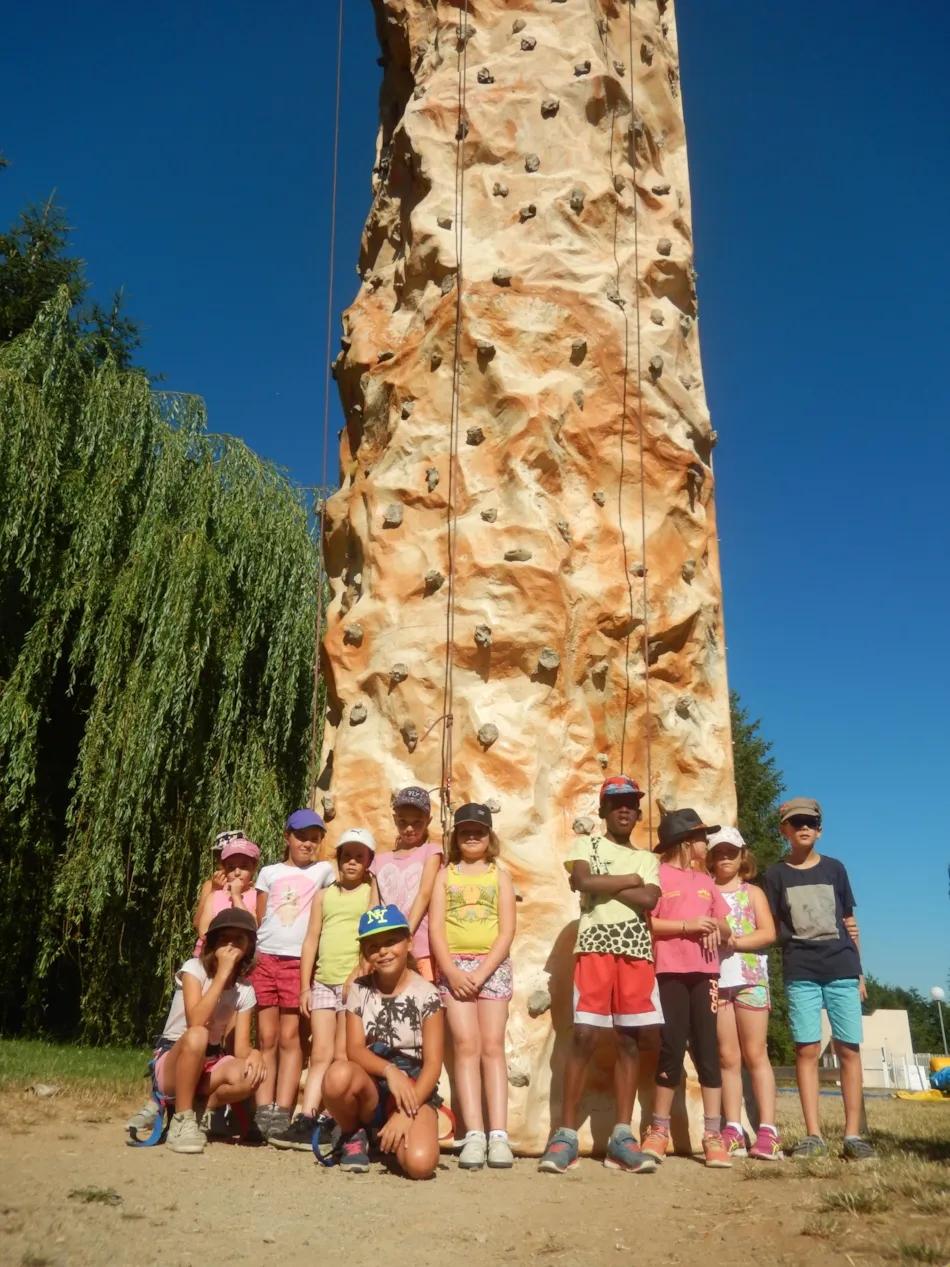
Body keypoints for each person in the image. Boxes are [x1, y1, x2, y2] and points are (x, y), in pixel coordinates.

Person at [538, 775, 662, 1175]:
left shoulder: (648, 858)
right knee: (585, 1035)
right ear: (604, 811)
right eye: (616, 803)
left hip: (636, 950)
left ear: (638, 813)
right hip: (594, 947)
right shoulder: (586, 845)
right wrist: (627, 881)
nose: (624, 809)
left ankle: (621, 1138)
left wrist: (606, 886)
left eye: (631, 803)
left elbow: (650, 899)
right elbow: (582, 880)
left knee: (629, 1039)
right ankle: (565, 1136)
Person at [762, 798, 874, 1161]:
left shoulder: (836, 869)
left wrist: (858, 971)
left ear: (820, 829)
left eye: (810, 822)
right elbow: (771, 924)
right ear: (784, 830)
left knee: (848, 1049)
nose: (803, 828)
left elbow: (849, 922)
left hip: (841, 968)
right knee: (807, 1049)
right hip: (801, 971)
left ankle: (853, 1135)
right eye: (795, 823)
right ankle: (813, 1135)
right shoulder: (775, 875)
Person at [269, 828, 378, 1149]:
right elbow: (311, 939)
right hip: (322, 982)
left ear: (368, 862)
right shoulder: (323, 895)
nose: (352, 863)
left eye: (360, 857)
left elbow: (371, 937)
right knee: (319, 1053)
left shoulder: (370, 893)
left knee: (344, 1054)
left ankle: (333, 1118)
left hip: (354, 983)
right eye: (347, 856)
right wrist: (305, 986)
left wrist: (356, 974)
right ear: (339, 860)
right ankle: (306, 1117)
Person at [320, 904, 444, 1179]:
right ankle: (354, 1133)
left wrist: (406, 1113)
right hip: (372, 1080)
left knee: (421, 1165)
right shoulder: (359, 990)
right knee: (337, 1076)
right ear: (365, 952)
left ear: (409, 941)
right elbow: (353, 1049)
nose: (383, 951)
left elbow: (434, 1064)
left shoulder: (428, 994)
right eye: (373, 946)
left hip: (413, 1087)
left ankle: (393, 1132)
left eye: (391, 942)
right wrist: (389, 1071)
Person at [640, 808, 734, 1169]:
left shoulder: (707, 880)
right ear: (684, 842)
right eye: (700, 837)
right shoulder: (658, 875)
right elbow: (648, 924)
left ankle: (713, 1134)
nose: (705, 843)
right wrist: (688, 925)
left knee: (708, 1050)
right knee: (671, 1048)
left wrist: (716, 928)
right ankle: (659, 1130)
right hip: (669, 973)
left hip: (705, 975)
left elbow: (725, 926)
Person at [429, 802, 516, 1170]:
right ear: (456, 837)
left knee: (492, 1046)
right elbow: (435, 928)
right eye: (465, 831)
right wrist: (450, 970)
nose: (472, 836)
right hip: (455, 969)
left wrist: (481, 974)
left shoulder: (500, 876)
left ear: (490, 836)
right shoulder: (444, 876)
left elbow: (507, 929)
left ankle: (499, 1135)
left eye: (479, 831)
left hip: (490, 967)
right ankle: (474, 1135)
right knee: (466, 1045)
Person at [250, 808, 335, 1140]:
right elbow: (260, 917)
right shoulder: (269, 873)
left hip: (297, 962)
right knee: (266, 1037)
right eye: (301, 836)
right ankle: (262, 1107)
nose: (308, 844)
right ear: (287, 837)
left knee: (290, 1038)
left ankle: (283, 1109)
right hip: (265, 958)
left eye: (314, 839)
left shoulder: (324, 871)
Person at [154, 908, 265, 1154]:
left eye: (239, 938)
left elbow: (241, 1048)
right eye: (224, 938)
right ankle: (181, 1121)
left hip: (210, 1063)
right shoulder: (193, 969)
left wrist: (255, 1054)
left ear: (248, 947)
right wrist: (222, 974)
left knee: (251, 1074)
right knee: (199, 1034)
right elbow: (196, 1020)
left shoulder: (244, 990)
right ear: (212, 944)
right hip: (175, 1056)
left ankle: (202, 1109)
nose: (231, 944)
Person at [706, 826, 780, 1160]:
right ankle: (733, 1127)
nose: (725, 858)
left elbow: (768, 933)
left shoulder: (753, 893)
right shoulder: (705, 892)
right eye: (718, 852)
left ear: (742, 856)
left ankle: (768, 1130)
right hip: (717, 981)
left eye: (730, 853)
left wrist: (734, 942)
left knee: (755, 1053)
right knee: (727, 1057)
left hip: (750, 979)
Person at [370, 787, 443, 982]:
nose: (409, 828)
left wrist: (405, 934)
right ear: (395, 819)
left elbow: (424, 894)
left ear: (428, 820)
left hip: (420, 947)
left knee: (422, 1002)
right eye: (403, 821)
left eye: (417, 822)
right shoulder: (380, 860)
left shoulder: (431, 852)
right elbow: (373, 906)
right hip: (385, 950)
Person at [194, 836, 260, 956]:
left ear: (254, 867)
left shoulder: (258, 895)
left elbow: (254, 929)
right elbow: (203, 931)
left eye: (244, 866)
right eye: (231, 867)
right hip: (209, 958)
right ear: (223, 867)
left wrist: (236, 896)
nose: (237, 873)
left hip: (243, 960)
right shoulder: (214, 896)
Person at [191, 829, 244, 934]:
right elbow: (197, 923)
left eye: (228, 855)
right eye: (219, 855)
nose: (221, 860)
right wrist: (215, 890)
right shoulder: (210, 885)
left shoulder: (252, 887)